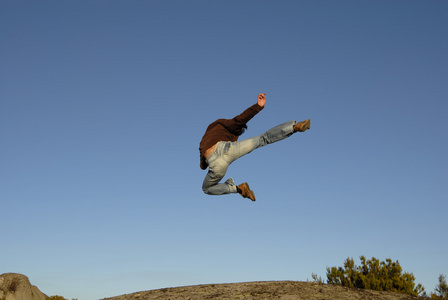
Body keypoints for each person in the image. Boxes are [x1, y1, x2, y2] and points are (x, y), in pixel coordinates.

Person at [199, 93, 310, 201]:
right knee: (263, 139)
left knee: (207, 188)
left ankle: (238, 189)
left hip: (217, 164)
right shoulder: (222, 125)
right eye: (240, 130)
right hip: (224, 149)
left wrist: (204, 164)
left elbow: (202, 153)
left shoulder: (207, 139)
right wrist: (258, 106)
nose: (239, 132)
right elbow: (239, 120)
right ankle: (293, 127)